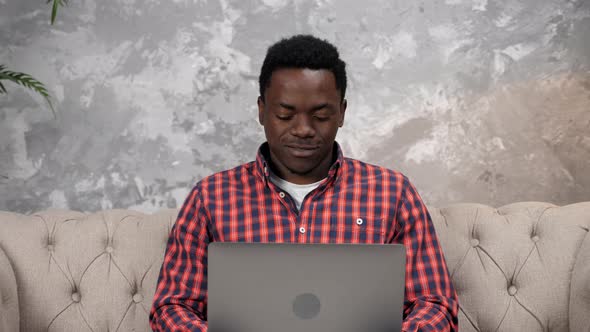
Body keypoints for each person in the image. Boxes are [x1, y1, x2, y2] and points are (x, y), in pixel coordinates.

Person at [150, 34, 459, 331]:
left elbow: (435, 305)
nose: (303, 129)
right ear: (262, 111)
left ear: (341, 113)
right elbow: (172, 306)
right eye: (285, 115)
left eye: (321, 115)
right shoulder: (211, 198)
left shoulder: (392, 192)